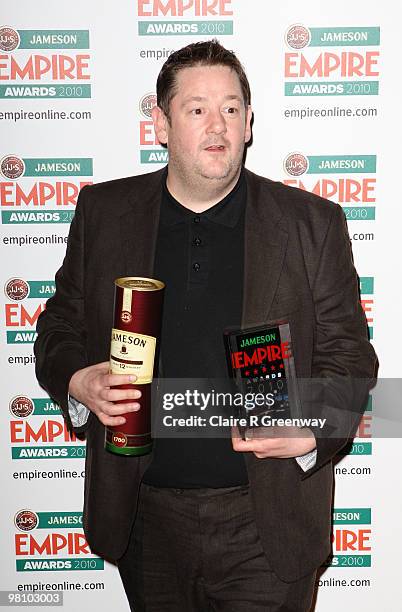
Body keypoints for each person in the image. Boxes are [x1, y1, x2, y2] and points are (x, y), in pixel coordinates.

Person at [34, 40, 377, 611]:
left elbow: (351, 358)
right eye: (196, 109)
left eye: (231, 108)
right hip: (146, 518)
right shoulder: (103, 213)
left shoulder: (310, 223)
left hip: (265, 524)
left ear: (249, 122)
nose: (217, 125)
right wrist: (76, 379)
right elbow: (57, 328)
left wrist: (313, 429)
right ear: (162, 124)